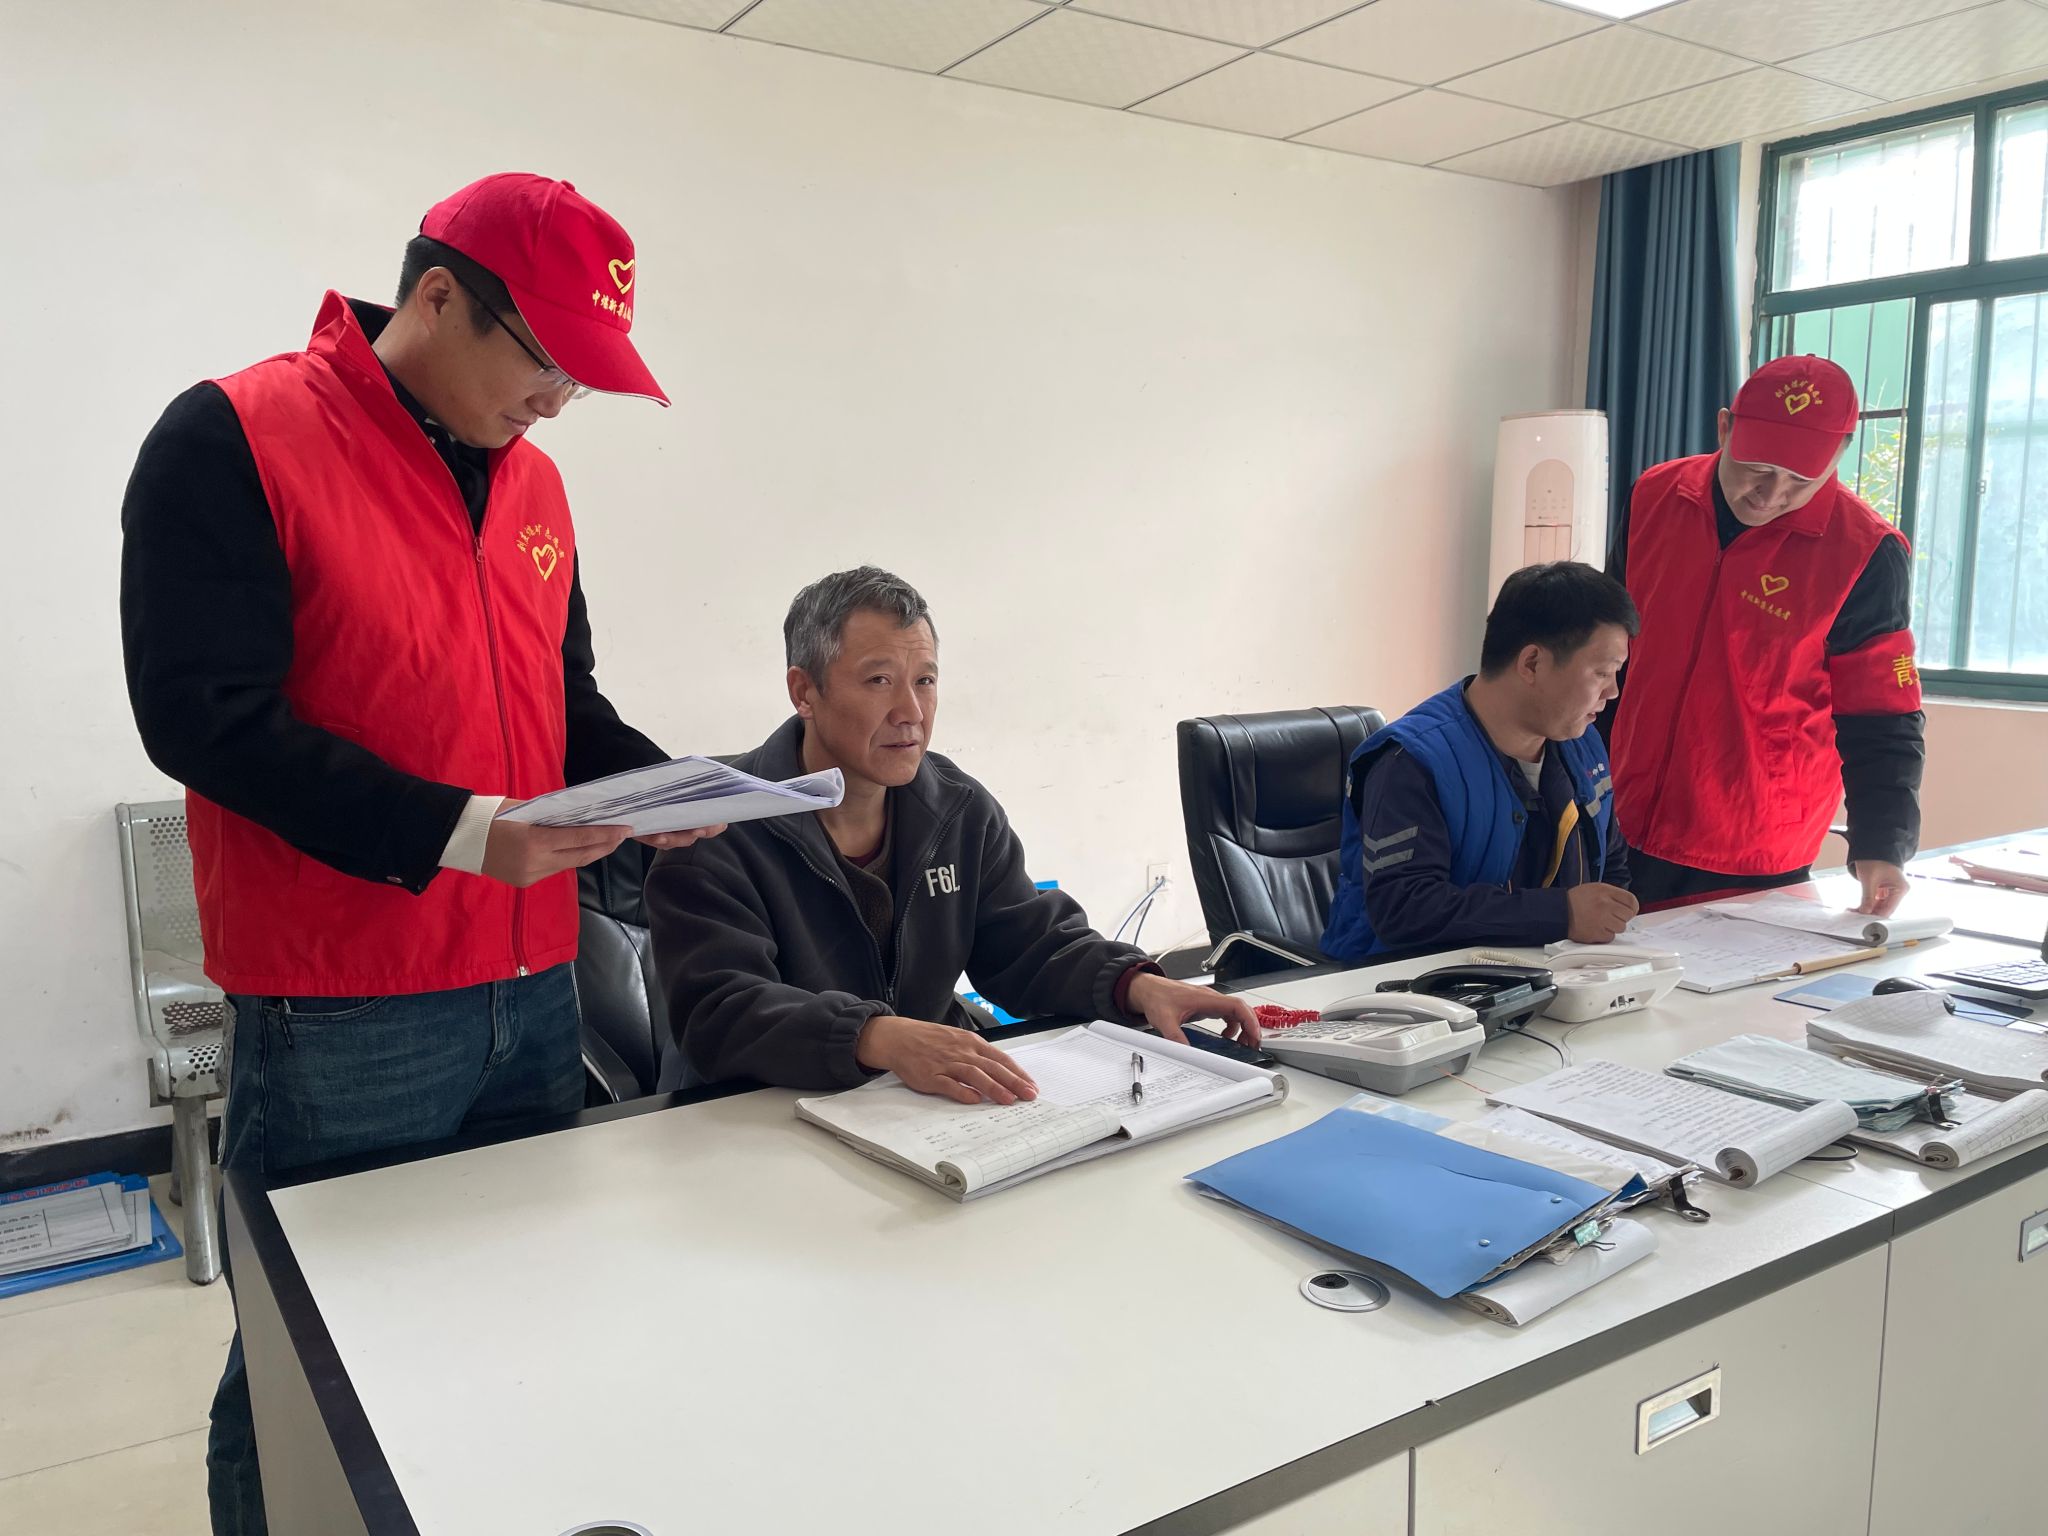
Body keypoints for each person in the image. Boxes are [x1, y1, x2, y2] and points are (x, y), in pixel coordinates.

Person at [119, 173, 717, 1536]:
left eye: (582, 379)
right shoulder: (237, 435)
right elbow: (203, 716)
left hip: (535, 987)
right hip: (347, 1007)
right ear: (438, 297)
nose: (556, 401)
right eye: (545, 362)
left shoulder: (536, 481)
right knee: (310, 1366)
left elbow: (560, 703)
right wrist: (461, 835)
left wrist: (670, 785)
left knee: (505, 1311)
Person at [646, 566, 1260, 1100]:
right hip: (750, 1118)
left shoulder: (957, 808)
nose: (911, 713)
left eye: (926, 680)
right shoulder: (714, 827)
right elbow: (720, 1013)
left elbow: (1026, 946)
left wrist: (1136, 984)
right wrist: (875, 1037)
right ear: (804, 691)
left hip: (912, 1105)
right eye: (879, 681)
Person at [1607, 354, 1924, 915]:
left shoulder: (1865, 553)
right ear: (1724, 428)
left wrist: (1883, 844)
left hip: (1754, 845)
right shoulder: (1655, 497)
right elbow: (1606, 649)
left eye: (1800, 479)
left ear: (1839, 455)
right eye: (1756, 467)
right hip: (1619, 819)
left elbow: (1882, 716)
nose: (1770, 493)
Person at [1321, 562, 1638, 961]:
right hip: (1400, 985)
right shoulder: (1411, 761)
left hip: (1546, 974)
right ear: (1532, 664)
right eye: (1602, 673)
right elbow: (1405, 910)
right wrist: (1562, 914)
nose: (1613, 692)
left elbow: (1611, 866)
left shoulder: (1583, 744)